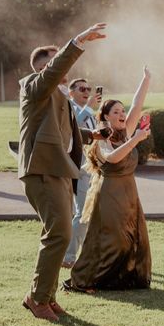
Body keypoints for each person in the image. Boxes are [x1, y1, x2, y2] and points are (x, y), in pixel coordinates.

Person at [18, 23, 106, 322]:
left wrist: (93, 135)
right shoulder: (33, 85)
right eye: (57, 61)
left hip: (59, 169)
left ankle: (46, 295)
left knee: (58, 233)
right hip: (41, 169)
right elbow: (52, 75)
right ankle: (37, 298)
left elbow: (64, 132)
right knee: (59, 234)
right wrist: (77, 42)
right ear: (45, 67)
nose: (64, 68)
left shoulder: (59, 97)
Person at [63, 68, 152, 293]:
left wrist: (146, 79)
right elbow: (112, 157)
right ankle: (86, 279)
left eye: (123, 111)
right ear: (105, 117)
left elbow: (137, 104)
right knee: (110, 240)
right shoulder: (101, 137)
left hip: (129, 194)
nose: (122, 114)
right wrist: (137, 140)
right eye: (116, 112)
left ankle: (122, 278)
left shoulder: (127, 132)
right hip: (109, 195)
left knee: (131, 237)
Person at [62, 78, 102, 268]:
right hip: (76, 168)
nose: (87, 91)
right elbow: (72, 129)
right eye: (82, 89)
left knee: (86, 212)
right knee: (83, 212)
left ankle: (84, 253)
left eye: (88, 88)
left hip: (89, 167)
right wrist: (90, 109)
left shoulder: (89, 111)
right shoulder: (69, 107)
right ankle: (69, 256)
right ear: (71, 92)